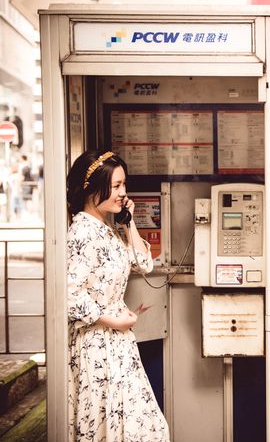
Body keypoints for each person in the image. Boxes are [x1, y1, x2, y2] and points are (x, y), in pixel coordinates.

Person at [66, 150, 169, 441]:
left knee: (138, 428)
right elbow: (70, 294)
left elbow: (145, 263)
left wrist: (129, 221)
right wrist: (113, 320)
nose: (123, 193)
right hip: (96, 345)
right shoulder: (82, 233)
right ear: (91, 188)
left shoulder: (107, 229)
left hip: (117, 344)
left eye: (124, 185)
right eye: (115, 186)